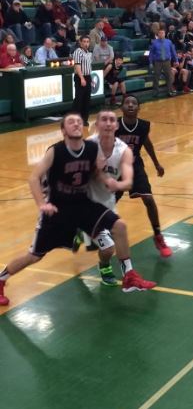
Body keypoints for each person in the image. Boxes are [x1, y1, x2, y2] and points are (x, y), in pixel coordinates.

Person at [0, 113, 156, 305]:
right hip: (58, 211)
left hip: (83, 205)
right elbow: (33, 178)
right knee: (34, 256)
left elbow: (97, 172)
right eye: (70, 122)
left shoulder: (91, 148)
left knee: (120, 226)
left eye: (79, 122)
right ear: (63, 130)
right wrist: (42, 203)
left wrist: (108, 182)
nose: (76, 124)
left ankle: (129, 276)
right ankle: (1, 279)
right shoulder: (55, 151)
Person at [80, 110, 136, 287]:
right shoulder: (87, 146)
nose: (108, 123)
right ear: (96, 125)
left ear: (117, 125)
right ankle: (105, 266)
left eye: (112, 120)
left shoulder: (124, 151)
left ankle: (81, 234)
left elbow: (128, 181)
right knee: (108, 247)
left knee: (118, 237)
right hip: (86, 206)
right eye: (103, 120)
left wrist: (116, 185)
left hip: (108, 205)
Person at [116, 95, 172, 258]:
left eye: (134, 103)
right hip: (116, 168)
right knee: (105, 206)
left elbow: (147, 143)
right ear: (121, 108)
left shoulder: (142, 126)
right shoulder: (115, 126)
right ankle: (84, 230)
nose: (131, 105)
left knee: (149, 199)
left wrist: (156, 163)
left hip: (135, 166)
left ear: (139, 108)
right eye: (127, 103)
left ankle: (158, 236)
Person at [149, 28, 178, 98]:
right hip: (157, 62)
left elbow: (173, 52)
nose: (161, 34)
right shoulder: (154, 42)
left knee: (169, 76)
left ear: (165, 34)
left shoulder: (169, 42)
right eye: (160, 33)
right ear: (158, 34)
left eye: (163, 33)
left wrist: (176, 60)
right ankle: (155, 92)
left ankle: (169, 91)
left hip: (167, 61)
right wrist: (150, 62)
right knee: (156, 77)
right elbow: (151, 53)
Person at [72, 35, 93, 126]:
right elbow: (77, 66)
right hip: (80, 77)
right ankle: (75, 119)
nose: (86, 43)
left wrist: (90, 79)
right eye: (84, 41)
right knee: (79, 99)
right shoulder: (78, 52)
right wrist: (82, 78)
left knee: (87, 99)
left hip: (87, 77)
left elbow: (89, 67)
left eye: (87, 42)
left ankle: (84, 119)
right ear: (80, 42)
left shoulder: (89, 53)